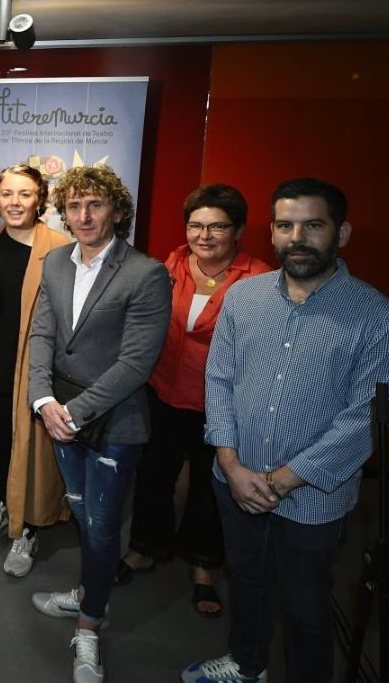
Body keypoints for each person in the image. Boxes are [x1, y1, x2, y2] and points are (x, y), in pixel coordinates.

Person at [183, 178, 389, 683]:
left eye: (313, 224)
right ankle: (247, 665)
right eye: (285, 225)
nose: (296, 237)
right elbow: (219, 377)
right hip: (235, 483)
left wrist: (283, 479)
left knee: (306, 607)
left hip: (313, 500)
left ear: (341, 233)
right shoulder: (244, 298)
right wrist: (230, 463)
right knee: (246, 583)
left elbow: (363, 423)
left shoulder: (379, 319)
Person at [28, 165, 171, 683]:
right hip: (59, 415)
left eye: (95, 205)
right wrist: (43, 400)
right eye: (73, 206)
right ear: (63, 213)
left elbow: (136, 364)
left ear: (116, 211)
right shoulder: (54, 263)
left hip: (113, 421)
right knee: (83, 514)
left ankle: (89, 626)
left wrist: (73, 412)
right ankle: (90, 590)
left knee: (104, 524)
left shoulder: (146, 273)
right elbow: (42, 336)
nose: (83, 216)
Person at [117, 184, 270, 617]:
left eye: (217, 226)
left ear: (238, 230)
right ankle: (145, 548)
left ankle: (203, 566)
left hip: (220, 403)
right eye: (196, 225)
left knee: (209, 485)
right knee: (152, 475)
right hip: (162, 389)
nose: (204, 235)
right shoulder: (171, 265)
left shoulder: (258, 279)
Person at [0, 163, 71, 578]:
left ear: (40, 200)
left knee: (30, 449)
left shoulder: (59, 247)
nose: (14, 202)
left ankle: (27, 527)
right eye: (7, 194)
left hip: (35, 370)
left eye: (24, 194)